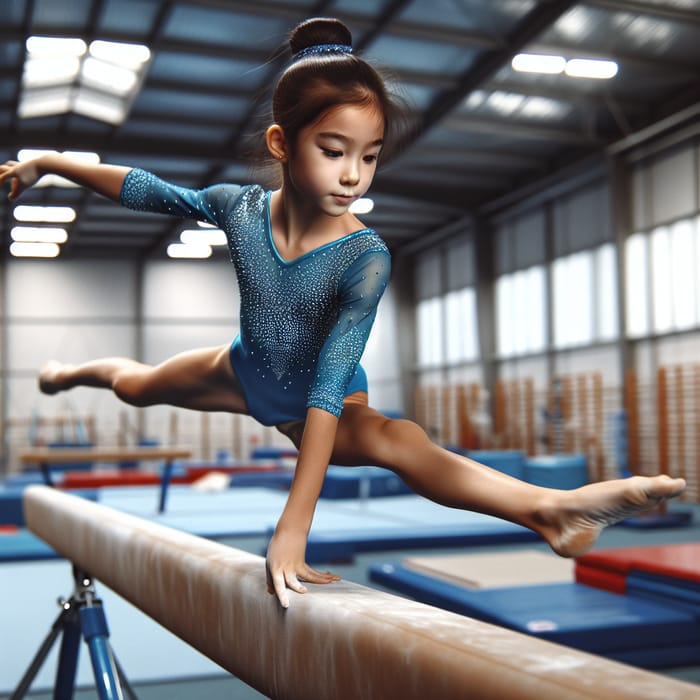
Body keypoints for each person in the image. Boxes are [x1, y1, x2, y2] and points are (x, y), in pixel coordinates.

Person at [1, 17, 686, 609]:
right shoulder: (238, 208)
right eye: (334, 152)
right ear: (281, 145)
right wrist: (53, 162)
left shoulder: (364, 256)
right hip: (240, 369)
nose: (354, 174)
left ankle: (550, 508)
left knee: (401, 442)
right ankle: (69, 371)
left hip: (316, 402)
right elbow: (146, 189)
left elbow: (329, 385)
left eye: (370, 156)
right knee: (134, 387)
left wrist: (295, 521)